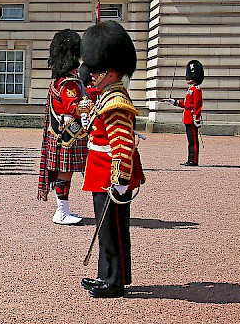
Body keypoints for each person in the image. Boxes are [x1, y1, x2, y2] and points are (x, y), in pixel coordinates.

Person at [80, 20, 145, 298]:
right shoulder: (105, 98)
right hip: (100, 171)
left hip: (110, 174)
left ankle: (115, 280)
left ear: (110, 71)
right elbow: (90, 132)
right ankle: (106, 274)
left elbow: (122, 145)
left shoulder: (116, 102)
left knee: (113, 229)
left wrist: (119, 180)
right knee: (105, 229)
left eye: (97, 70)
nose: (92, 74)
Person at [37, 30, 87, 225]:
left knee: (64, 172)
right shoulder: (69, 83)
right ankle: (61, 211)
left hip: (63, 132)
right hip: (70, 133)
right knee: (65, 172)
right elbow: (73, 107)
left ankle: (63, 210)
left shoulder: (60, 80)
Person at [164, 60, 204, 166]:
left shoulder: (196, 90)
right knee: (190, 141)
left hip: (192, 117)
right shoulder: (190, 90)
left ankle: (194, 160)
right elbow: (185, 104)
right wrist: (174, 102)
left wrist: (197, 118)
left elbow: (197, 105)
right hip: (187, 117)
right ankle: (190, 159)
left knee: (193, 141)